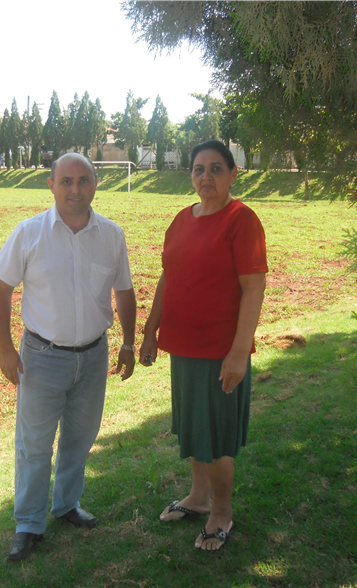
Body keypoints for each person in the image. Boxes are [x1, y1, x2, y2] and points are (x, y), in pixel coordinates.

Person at [0, 152, 137, 562]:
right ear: (51, 185)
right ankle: (28, 523)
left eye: (83, 180)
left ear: (95, 184)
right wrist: (5, 348)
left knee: (79, 439)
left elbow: (123, 291)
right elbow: (2, 291)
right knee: (34, 445)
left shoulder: (111, 235)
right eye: (66, 181)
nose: (75, 189)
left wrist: (128, 342)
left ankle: (66, 505)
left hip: (93, 357)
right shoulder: (29, 232)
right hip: (41, 356)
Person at [138, 140, 267, 551]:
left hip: (219, 352)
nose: (205, 176)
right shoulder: (181, 219)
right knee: (195, 430)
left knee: (217, 438)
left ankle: (221, 512)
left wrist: (237, 352)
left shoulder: (241, 220)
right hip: (185, 349)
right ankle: (197, 497)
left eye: (215, 168)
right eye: (198, 169)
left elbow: (254, 288)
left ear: (232, 174)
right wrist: (149, 331)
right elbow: (167, 279)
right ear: (190, 175)